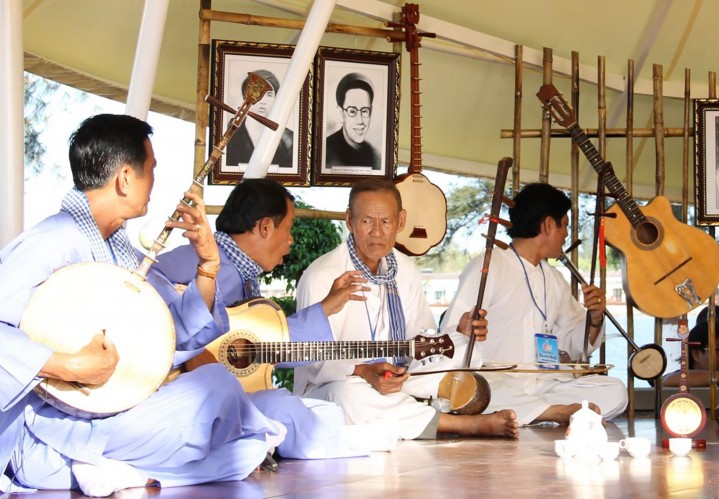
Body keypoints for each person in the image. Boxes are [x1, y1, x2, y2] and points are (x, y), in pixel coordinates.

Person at [0, 115, 282, 496]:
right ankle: (88, 466)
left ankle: (115, 471)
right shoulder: (54, 239)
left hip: (113, 418)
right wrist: (68, 364)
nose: (154, 182)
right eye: (151, 170)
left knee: (240, 448)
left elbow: (176, 331)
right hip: (49, 432)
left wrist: (208, 265)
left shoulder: (121, 251)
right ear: (125, 178)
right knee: (218, 394)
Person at [152, 178, 395, 459]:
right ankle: (353, 441)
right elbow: (143, 289)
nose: (291, 240)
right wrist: (193, 354)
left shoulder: (240, 273)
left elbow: (262, 343)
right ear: (265, 227)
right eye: (288, 228)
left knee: (322, 409)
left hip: (211, 404)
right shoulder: (198, 260)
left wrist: (327, 307)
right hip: (173, 399)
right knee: (284, 407)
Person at [294, 179, 519, 439]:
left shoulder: (404, 269)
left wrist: (460, 332)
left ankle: (407, 408)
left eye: (386, 221)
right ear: (349, 221)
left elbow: (420, 342)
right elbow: (311, 359)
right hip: (338, 385)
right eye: (367, 221)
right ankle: (463, 425)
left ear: (400, 221)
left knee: (461, 353)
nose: (377, 232)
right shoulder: (322, 275)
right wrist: (363, 371)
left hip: (398, 378)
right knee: (346, 396)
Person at [441, 183, 627, 425]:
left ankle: (538, 412)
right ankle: (550, 414)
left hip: (545, 386)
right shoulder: (489, 265)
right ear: (548, 225)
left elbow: (575, 346)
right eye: (565, 225)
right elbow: (449, 336)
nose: (566, 235)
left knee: (615, 390)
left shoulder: (554, 278)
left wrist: (594, 318)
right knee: (478, 390)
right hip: (497, 383)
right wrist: (464, 329)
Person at [224, 69, 295, 169]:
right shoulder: (230, 135)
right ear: (246, 96)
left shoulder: (290, 140)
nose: (263, 101)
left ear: (276, 99)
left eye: (269, 95)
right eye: (257, 93)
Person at [324, 72, 380, 170]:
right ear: (341, 114)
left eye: (365, 111)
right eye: (352, 111)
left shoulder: (374, 154)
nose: (360, 120)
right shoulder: (325, 152)